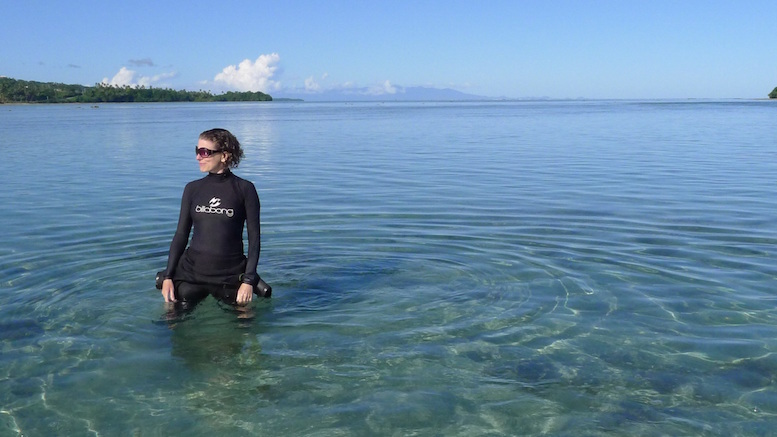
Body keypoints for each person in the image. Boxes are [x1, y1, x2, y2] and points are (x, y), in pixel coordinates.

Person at [160, 128, 262, 308]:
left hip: (230, 276)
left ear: (224, 156)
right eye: (197, 151)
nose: (198, 157)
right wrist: (168, 276)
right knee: (171, 326)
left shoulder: (245, 189)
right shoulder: (192, 189)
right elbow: (181, 235)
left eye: (204, 152)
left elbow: (254, 239)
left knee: (243, 328)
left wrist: (248, 281)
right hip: (191, 274)